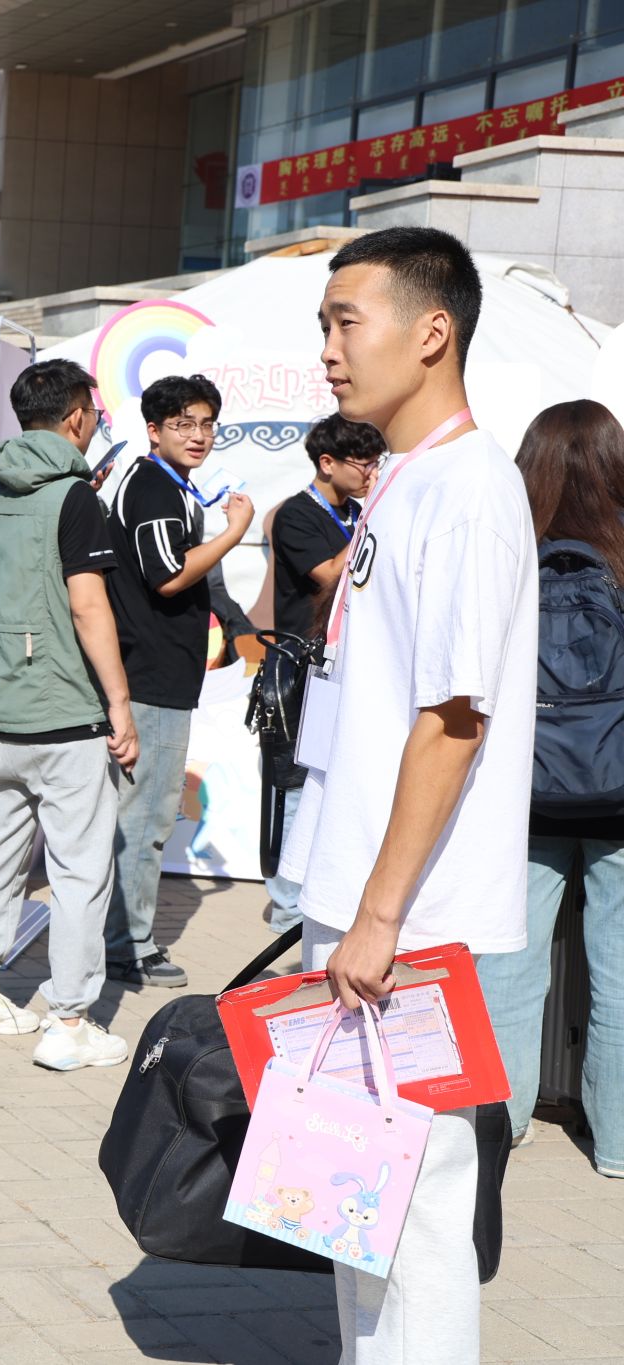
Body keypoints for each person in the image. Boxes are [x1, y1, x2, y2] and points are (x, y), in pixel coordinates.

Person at [277, 225, 537, 1364]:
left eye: (347, 322)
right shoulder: (406, 478)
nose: (329, 350)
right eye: (323, 326)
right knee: (348, 1188)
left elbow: (452, 719)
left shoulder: (469, 488)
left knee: (419, 1196)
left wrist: (380, 912)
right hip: (360, 898)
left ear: (432, 332)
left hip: (411, 915)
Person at [0, 358, 138, 1069]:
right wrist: (120, 703)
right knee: (80, 873)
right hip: (66, 712)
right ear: (77, 417)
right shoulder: (74, 497)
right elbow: (88, 606)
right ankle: (71, 1023)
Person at [478, 399, 624, 1172]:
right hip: (620, 791)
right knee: (622, 969)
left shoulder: (507, 550)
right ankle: (619, 1142)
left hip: (522, 793)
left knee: (509, 960)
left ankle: (497, 1124)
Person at [101, 374, 255, 989]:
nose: (198, 435)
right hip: (152, 675)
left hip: (153, 672)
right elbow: (167, 576)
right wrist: (234, 533)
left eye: (207, 423)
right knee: (146, 818)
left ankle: (118, 939)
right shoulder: (155, 488)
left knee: (139, 814)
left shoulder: (163, 484)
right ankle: (127, 946)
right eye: (182, 424)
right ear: (153, 430)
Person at [261, 414, 384, 933]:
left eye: (377, 461)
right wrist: (374, 515)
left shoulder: (354, 511)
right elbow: (330, 574)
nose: (371, 472)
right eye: (363, 462)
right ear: (327, 463)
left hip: (343, 667)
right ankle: (287, 904)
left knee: (335, 778)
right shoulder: (296, 514)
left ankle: (321, 891)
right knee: (295, 779)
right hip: (300, 672)